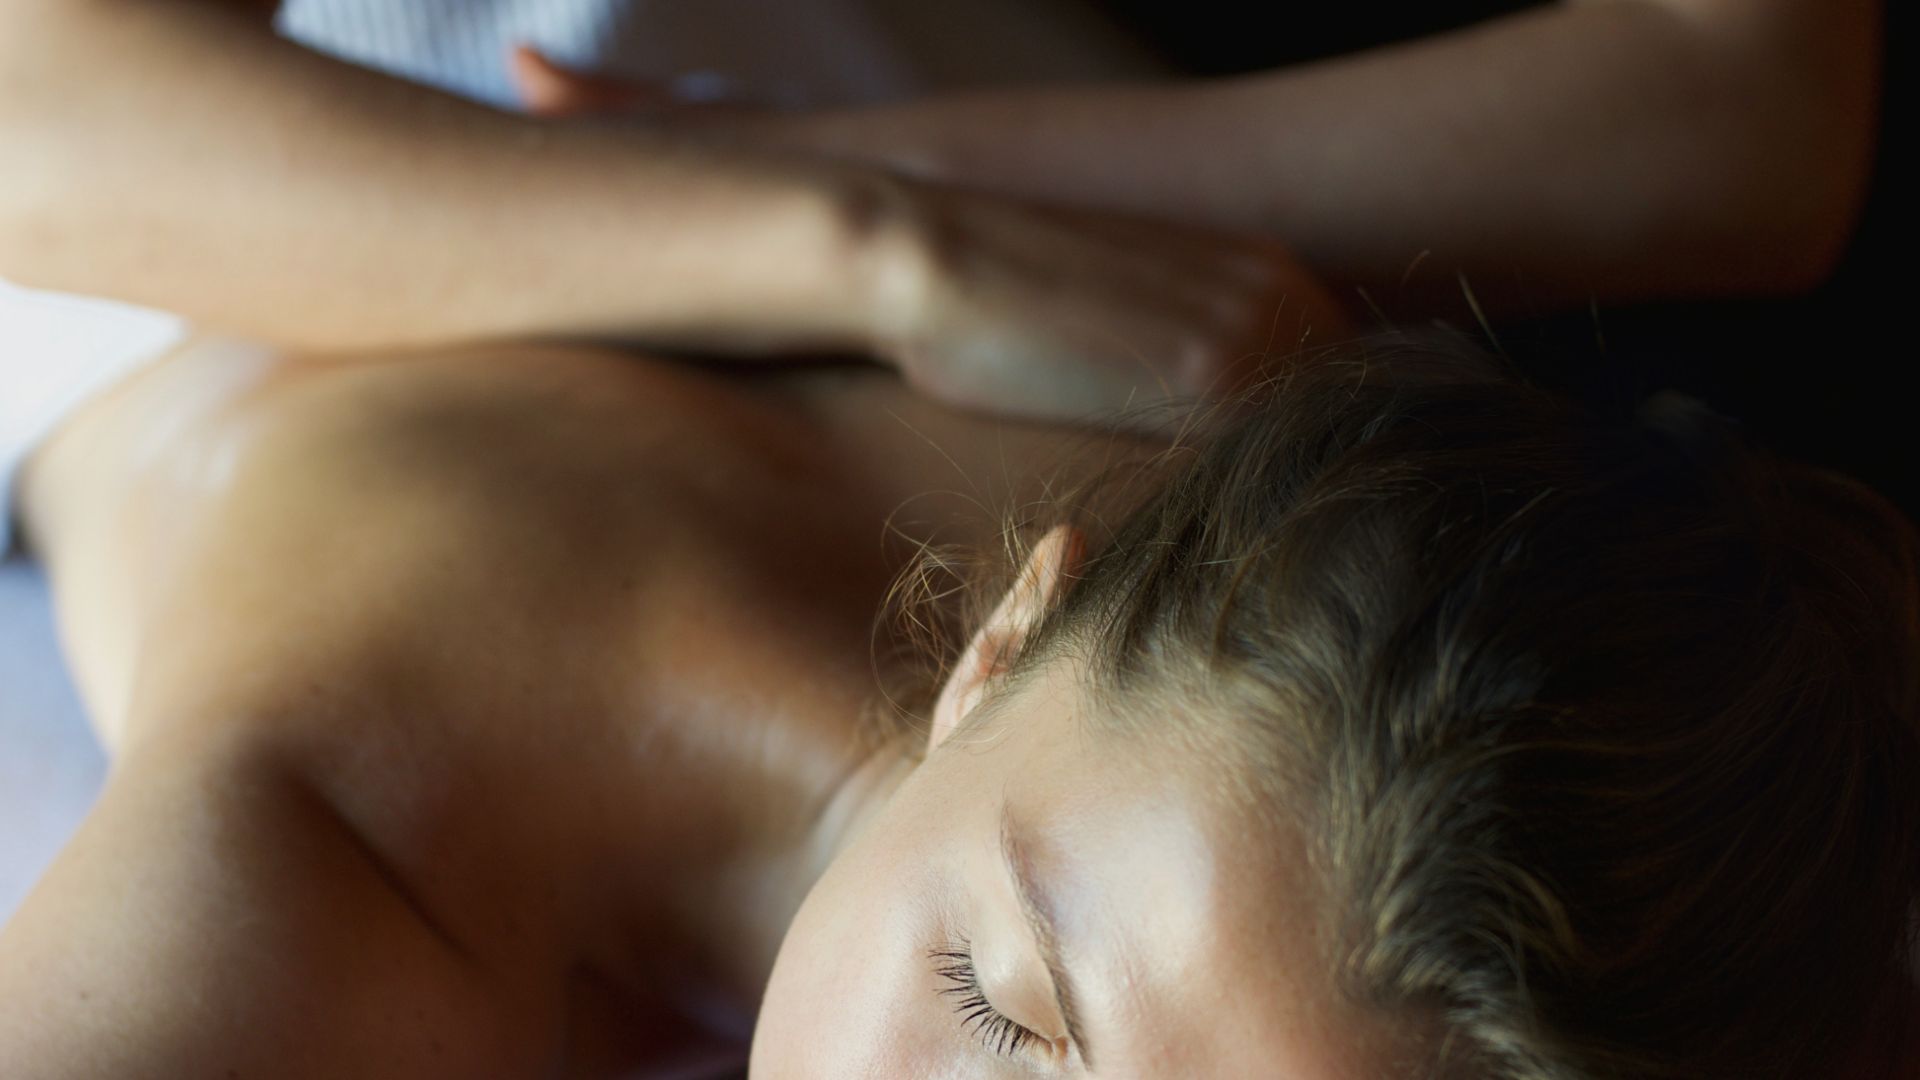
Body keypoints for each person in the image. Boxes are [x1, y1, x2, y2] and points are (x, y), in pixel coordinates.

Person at [0, 321, 1912, 1077]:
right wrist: (864, 236)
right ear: (993, 647)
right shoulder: (325, 841)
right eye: (1002, 1013)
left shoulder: (1369, 596)